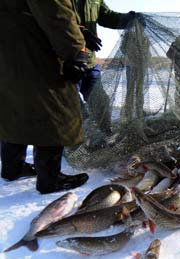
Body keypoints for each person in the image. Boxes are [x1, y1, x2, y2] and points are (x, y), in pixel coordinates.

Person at [0, 0, 90, 194]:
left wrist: (80, 28)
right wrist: (75, 52)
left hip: (8, 54)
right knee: (54, 110)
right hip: (35, 52)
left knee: (13, 108)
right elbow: (56, 15)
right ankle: (50, 179)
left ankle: (11, 169)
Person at [72, 0, 142, 134]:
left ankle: (105, 136)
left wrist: (128, 19)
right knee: (73, 110)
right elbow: (56, 20)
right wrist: (80, 33)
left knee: (101, 102)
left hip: (89, 61)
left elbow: (108, 17)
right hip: (66, 63)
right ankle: (73, 150)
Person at [120, 21, 151, 123]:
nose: (141, 28)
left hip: (141, 67)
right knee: (130, 91)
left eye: (142, 27)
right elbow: (122, 48)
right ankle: (128, 114)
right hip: (131, 66)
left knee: (139, 90)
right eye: (139, 26)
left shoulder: (145, 38)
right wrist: (132, 56)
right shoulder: (129, 36)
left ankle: (139, 112)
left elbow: (147, 52)